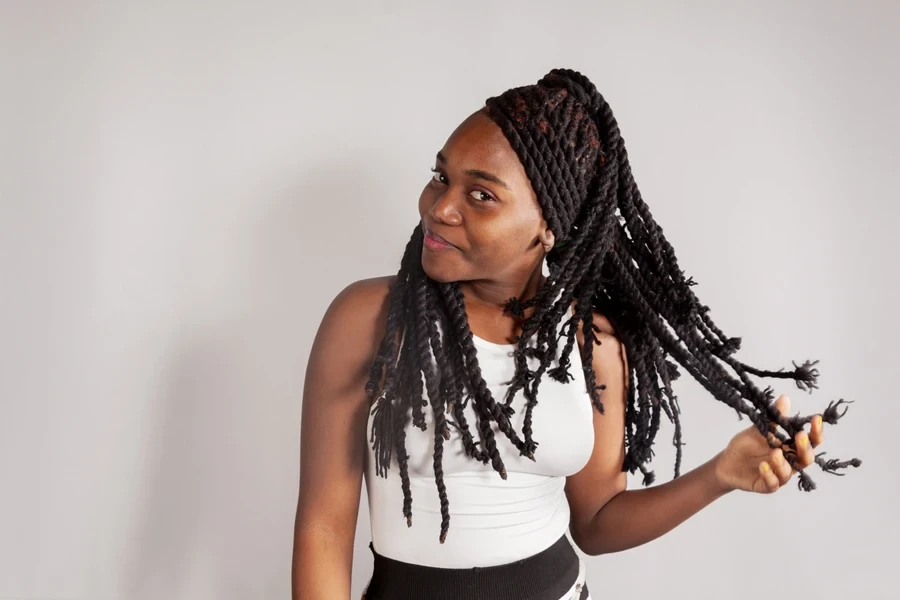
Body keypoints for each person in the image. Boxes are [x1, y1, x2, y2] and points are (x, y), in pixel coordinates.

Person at [291, 68, 860, 600]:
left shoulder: (592, 344)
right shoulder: (371, 319)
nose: (440, 207)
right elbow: (323, 527)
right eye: (441, 176)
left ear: (548, 228)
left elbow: (597, 520)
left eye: (481, 194)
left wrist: (720, 475)